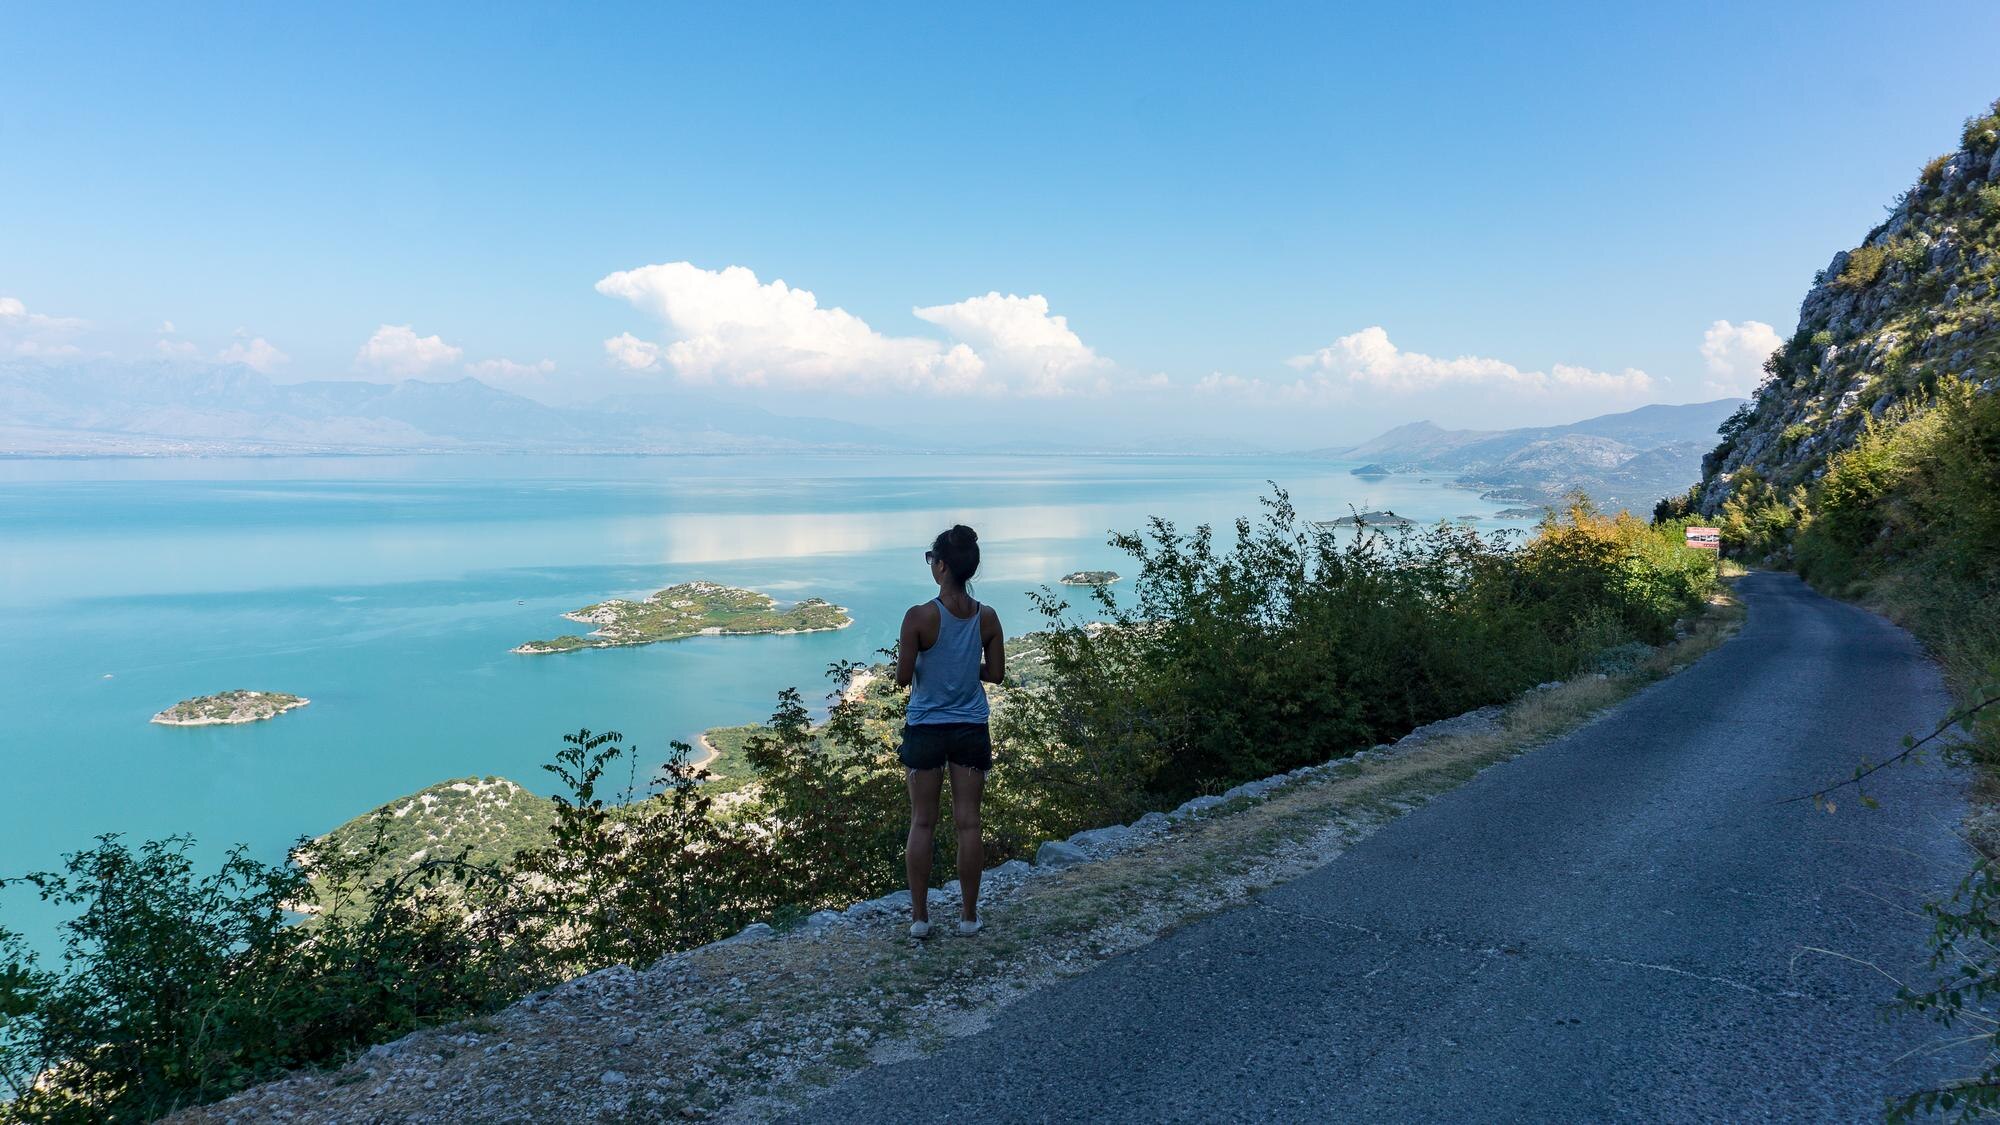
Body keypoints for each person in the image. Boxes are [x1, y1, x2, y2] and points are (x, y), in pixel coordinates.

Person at [895, 524, 1004, 938]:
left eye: (931, 560)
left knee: (922, 822)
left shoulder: (919, 616)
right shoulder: (987, 617)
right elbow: (995, 674)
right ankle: (969, 917)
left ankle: (920, 919)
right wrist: (962, 666)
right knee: (969, 823)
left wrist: (929, 661)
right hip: (970, 727)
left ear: (941, 566)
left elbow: (904, 678)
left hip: (926, 728)